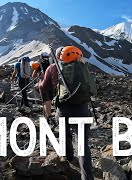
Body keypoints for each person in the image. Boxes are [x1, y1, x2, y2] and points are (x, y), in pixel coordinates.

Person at [39, 46, 97, 180]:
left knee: (65, 134)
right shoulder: (82, 67)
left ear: (58, 56)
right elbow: (91, 88)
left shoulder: (53, 68)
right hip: (82, 109)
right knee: (83, 144)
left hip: (63, 109)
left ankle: (69, 156)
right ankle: (87, 177)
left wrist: (43, 90)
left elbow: (43, 87)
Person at [31, 52, 53, 118]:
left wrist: (38, 75)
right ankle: (49, 113)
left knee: (45, 100)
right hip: (51, 83)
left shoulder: (39, 64)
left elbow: (33, 76)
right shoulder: (51, 64)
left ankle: (48, 116)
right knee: (49, 100)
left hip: (43, 83)